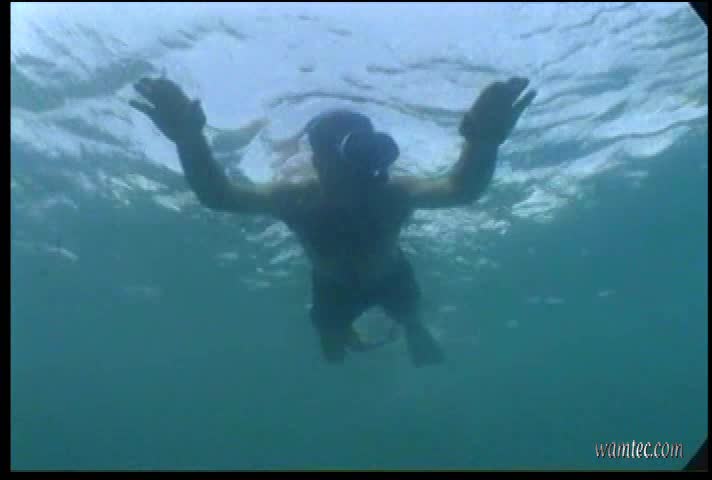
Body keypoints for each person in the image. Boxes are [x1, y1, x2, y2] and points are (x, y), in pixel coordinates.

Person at [130, 75, 536, 367]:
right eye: (341, 153)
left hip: (390, 276)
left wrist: (483, 142)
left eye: (363, 148)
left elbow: (461, 190)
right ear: (318, 161)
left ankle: (413, 330)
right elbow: (218, 197)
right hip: (332, 287)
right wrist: (188, 139)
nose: (355, 168)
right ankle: (364, 333)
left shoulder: (391, 191)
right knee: (333, 355)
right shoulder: (298, 197)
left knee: (410, 317)